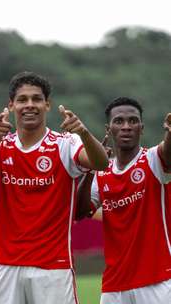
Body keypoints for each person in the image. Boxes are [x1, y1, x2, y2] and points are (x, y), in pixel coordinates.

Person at [0, 71, 109, 304]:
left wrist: (83, 132)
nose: (30, 105)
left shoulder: (65, 143)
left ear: (47, 105)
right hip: (6, 265)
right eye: (23, 100)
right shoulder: (2, 145)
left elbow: (101, 163)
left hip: (53, 268)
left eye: (37, 99)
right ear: (11, 105)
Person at [77, 97, 171, 304]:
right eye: (119, 121)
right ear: (108, 129)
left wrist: (170, 132)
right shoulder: (102, 173)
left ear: (142, 128)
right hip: (114, 285)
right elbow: (79, 211)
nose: (126, 127)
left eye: (133, 121)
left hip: (157, 280)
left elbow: (168, 152)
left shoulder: (153, 160)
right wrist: (92, 169)